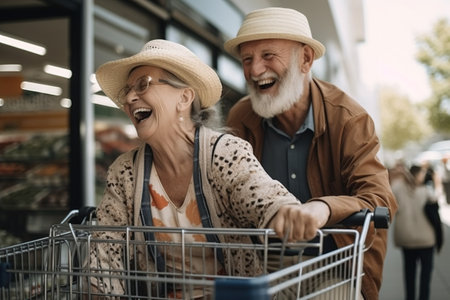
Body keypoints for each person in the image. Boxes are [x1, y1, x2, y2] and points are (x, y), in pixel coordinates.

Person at [89, 39, 327, 297]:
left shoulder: (225, 154)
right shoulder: (124, 172)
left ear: (184, 97)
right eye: (128, 92)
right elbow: (104, 251)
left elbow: (263, 197)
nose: (131, 98)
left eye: (143, 84)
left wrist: (285, 213)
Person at [224, 7, 397, 300]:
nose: (255, 71)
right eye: (247, 59)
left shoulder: (349, 118)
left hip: (332, 266)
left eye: (268, 56)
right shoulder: (241, 116)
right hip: (262, 267)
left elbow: (379, 199)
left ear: (305, 59)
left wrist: (323, 209)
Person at [391, 164, 439, 300]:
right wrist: (438, 183)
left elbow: (389, 197)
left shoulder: (398, 188)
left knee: (409, 274)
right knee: (425, 276)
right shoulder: (426, 190)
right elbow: (436, 200)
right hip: (426, 240)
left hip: (406, 239)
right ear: (417, 175)